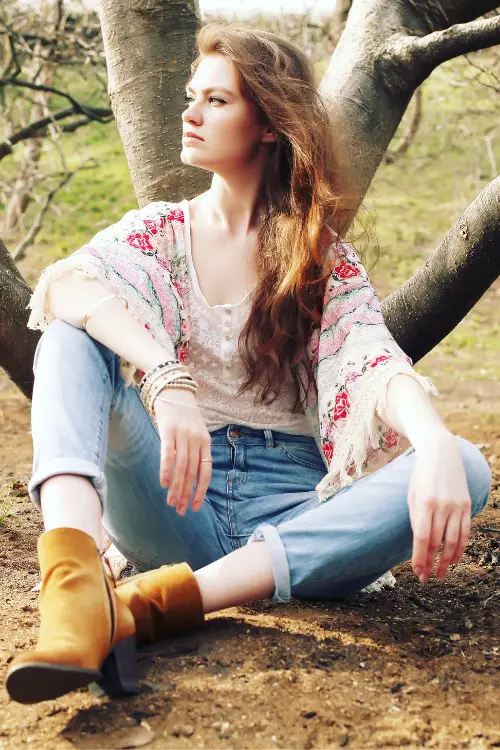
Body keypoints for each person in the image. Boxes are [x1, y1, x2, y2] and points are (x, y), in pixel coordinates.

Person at [5, 22, 491, 705]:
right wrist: (165, 377)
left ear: (268, 123)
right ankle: (75, 594)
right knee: (69, 335)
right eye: (189, 96)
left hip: (293, 521)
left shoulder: (319, 260)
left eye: (217, 101)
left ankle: (146, 607)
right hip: (174, 501)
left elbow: (371, 361)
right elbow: (71, 285)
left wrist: (435, 441)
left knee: (467, 466)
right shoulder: (160, 234)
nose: (191, 112)